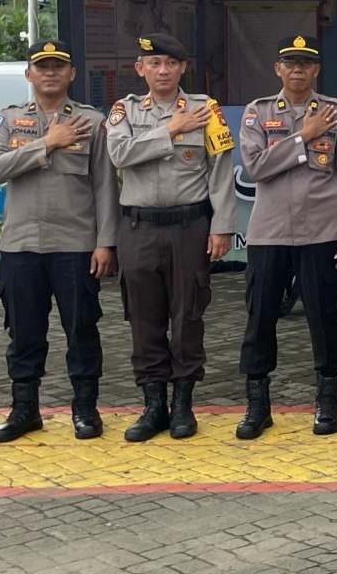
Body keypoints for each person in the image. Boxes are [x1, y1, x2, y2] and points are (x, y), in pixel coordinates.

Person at [233, 35, 337, 440]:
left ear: (316, 70)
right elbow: (256, 167)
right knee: (260, 317)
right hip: (269, 232)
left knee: (324, 317)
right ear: (277, 68)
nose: (297, 69)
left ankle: (327, 403)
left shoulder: (336, 112)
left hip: (322, 231)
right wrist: (303, 136)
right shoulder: (258, 113)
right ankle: (258, 406)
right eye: (290, 63)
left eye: (305, 63)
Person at [0, 40, 118, 443]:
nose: (50, 73)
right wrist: (48, 142)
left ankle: (85, 408)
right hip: (21, 245)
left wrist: (106, 242)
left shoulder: (92, 122)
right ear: (29, 74)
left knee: (82, 329)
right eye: (42, 67)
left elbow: (105, 186)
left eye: (59, 66)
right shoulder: (8, 120)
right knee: (24, 333)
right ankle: (25, 410)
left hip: (76, 244)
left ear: (71, 74)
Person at [105, 33, 235, 442]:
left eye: (171, 64)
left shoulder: (205, 109)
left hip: (188, 227)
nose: (163, 71)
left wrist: (222, 226)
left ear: (183, 68)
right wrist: (171, 130)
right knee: (143, 317)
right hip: (139, 227)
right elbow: (119, 155)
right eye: (154, 63)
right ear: (140, 69)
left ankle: (182, 404)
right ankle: (152, 405)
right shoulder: (124, 111)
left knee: (187, 316)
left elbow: (221, 170)